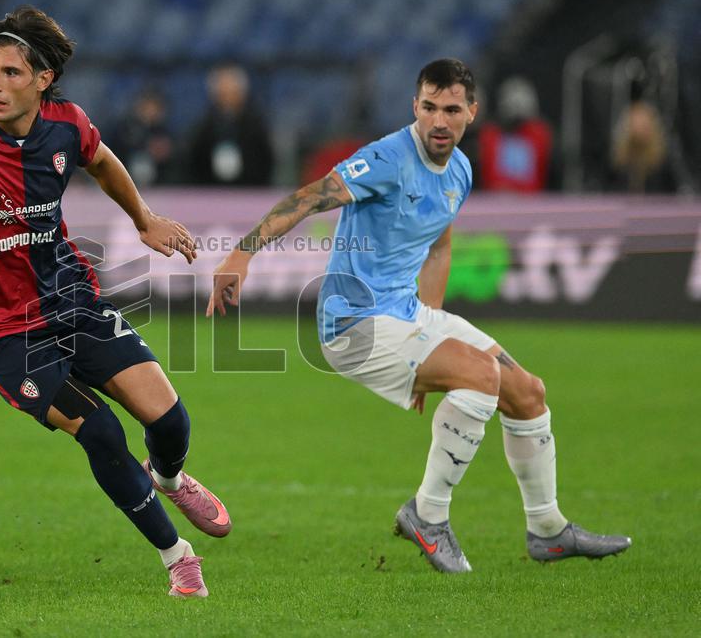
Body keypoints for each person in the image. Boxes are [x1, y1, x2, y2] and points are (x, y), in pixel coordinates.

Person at [0, 6, 230, 598]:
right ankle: (177, 559)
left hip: (70, 299)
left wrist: (144, 218)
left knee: (171, 419)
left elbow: (102, 161)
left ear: (43, 79)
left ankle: (171, 478)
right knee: (102, 432)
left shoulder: (66, 124)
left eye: (9, 73)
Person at [207, 59, 630, 573]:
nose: (438, 121)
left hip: (405, 314)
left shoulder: (461, 171)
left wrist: (426, 337)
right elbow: (309, 198)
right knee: (480, 376)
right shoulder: (387, 158)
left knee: (528, 393)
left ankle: (548, 530)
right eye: (429, 107)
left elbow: (439, 244)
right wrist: (241, 254)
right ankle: (427, 516)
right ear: (415, 106)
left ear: (472, 112)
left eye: (451, 109)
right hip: (352, 325)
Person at [187, 64, 274, 186]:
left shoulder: (256, 127)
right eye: (222, 94)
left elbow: (265, 162)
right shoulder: (203, 128)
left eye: (232, 93)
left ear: (241, 93)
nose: (227, 99)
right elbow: (194, 164)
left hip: (249, 193)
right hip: (210, 194)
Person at [476, 76, 552, 193]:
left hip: (531, 199)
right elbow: (489, 176)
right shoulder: (490, 134)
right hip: (495, 197)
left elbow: (539, 174)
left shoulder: (538, 133)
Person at [109, 87, 177, 186]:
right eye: (148, 107)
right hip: (125, 181)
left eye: (155, 107)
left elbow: (174, 160)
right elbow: (113, 154)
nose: (151, 111)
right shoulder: (124, 129)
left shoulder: (165, 133)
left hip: (160, 184)